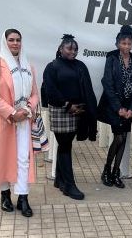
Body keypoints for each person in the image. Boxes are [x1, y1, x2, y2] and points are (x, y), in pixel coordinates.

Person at [0, 29, 39, 217]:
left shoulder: (29, 67)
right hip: (3, 120)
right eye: (11, 40)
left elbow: (35, 94)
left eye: (18, 40)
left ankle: (23, 197)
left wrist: (28, 109)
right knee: (3, 157)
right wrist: (13, 113)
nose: (15, 43)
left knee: (23, 158)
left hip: (24, 120)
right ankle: (5, 195)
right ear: (5, 42)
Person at [43, 34, 98, 200]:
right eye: (69, 48)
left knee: (65, 145)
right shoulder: (52, 67)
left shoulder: (80, 65)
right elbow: (50, 90)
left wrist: (87, 109)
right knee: (65, 145)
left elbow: (87, 88)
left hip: (78, 111)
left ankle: (60, 180)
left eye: (75, 49)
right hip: (61, 110)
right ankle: (69, 185)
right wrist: (67, 105)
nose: (73, 52)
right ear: (61, 49)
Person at [98, 25, 132, 189]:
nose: (127, 46)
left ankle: (116, 173)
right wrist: (118, 108)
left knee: (123, 139)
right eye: (123, 43)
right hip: (114, 106)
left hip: (128, 107)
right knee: (119, 137)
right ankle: (106, 170)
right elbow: (107, 84)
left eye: (129, 43)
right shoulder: (111, 59)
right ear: (117, 44)